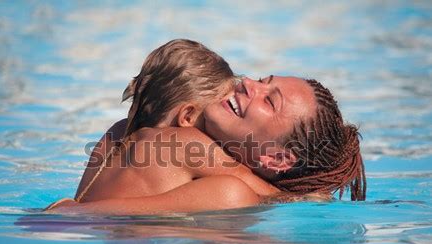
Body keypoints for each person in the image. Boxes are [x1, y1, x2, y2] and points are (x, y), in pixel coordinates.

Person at [48, 41, 366, 214]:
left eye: (270, 101)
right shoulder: (229, 190)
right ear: (186, 115)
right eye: (262, 80)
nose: (246, 84)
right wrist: (298, 197)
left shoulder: (119, 130)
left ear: (276, 158)